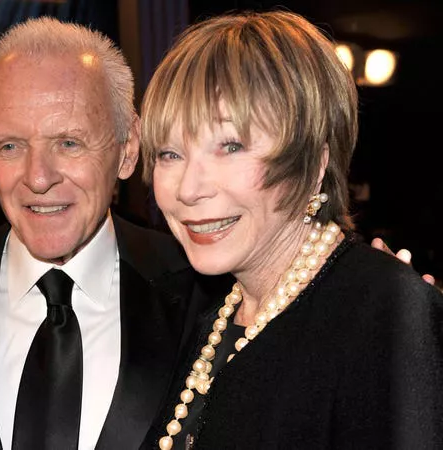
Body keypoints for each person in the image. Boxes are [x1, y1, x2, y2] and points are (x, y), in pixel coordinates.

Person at [0, 16, 228, 450]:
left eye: (68, 143)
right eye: (10, 146)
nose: (38, 178)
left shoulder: (210, 294)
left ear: (127, 150)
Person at [139, 10, 443, 449]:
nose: (188, 189)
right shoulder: (211, 320)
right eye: (169, 153)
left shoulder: (382, 312)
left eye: (230, 146)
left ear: (313, 163)